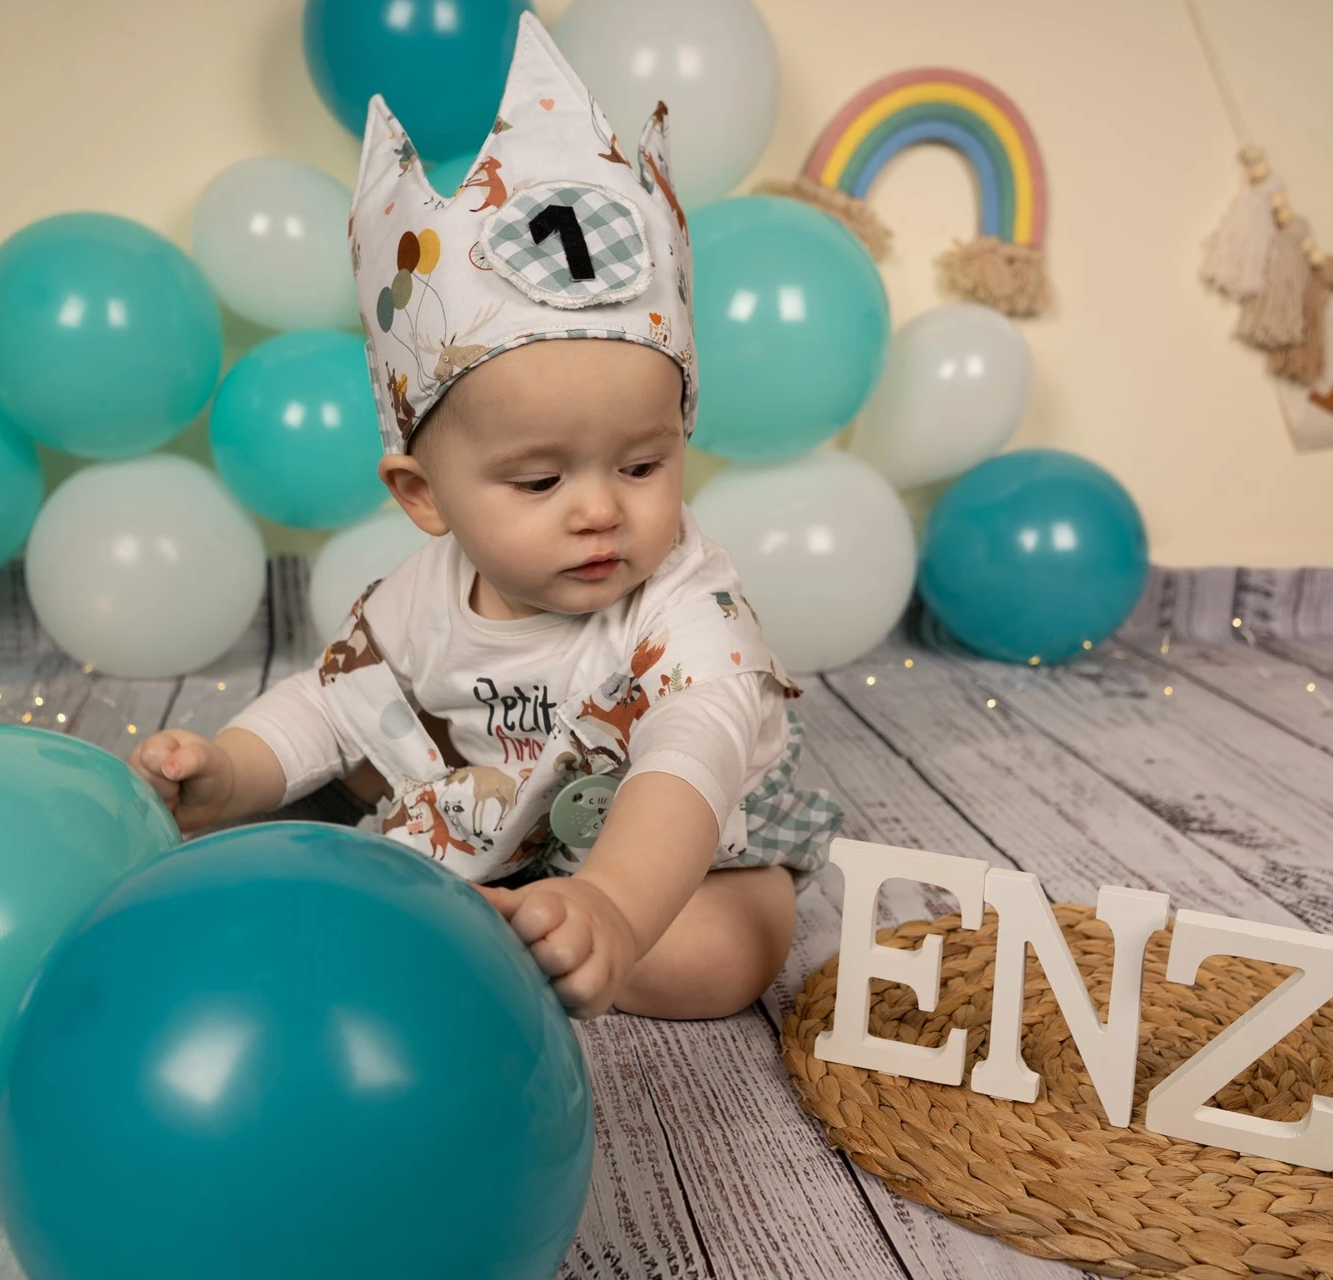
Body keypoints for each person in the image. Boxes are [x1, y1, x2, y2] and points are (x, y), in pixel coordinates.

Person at [128, 11, 841, 1021]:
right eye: (540, 481)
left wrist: (616, 907)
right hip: (508, 826)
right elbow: (332, 707)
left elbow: (694, 749)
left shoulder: (688, 602)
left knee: (727, 952)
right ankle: (499, 922)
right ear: (425, 496)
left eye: (643, 463)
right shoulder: (422, 598)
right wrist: (230, 770)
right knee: (317, 837)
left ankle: (547, 936)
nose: (600, 508)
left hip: (680, 848)